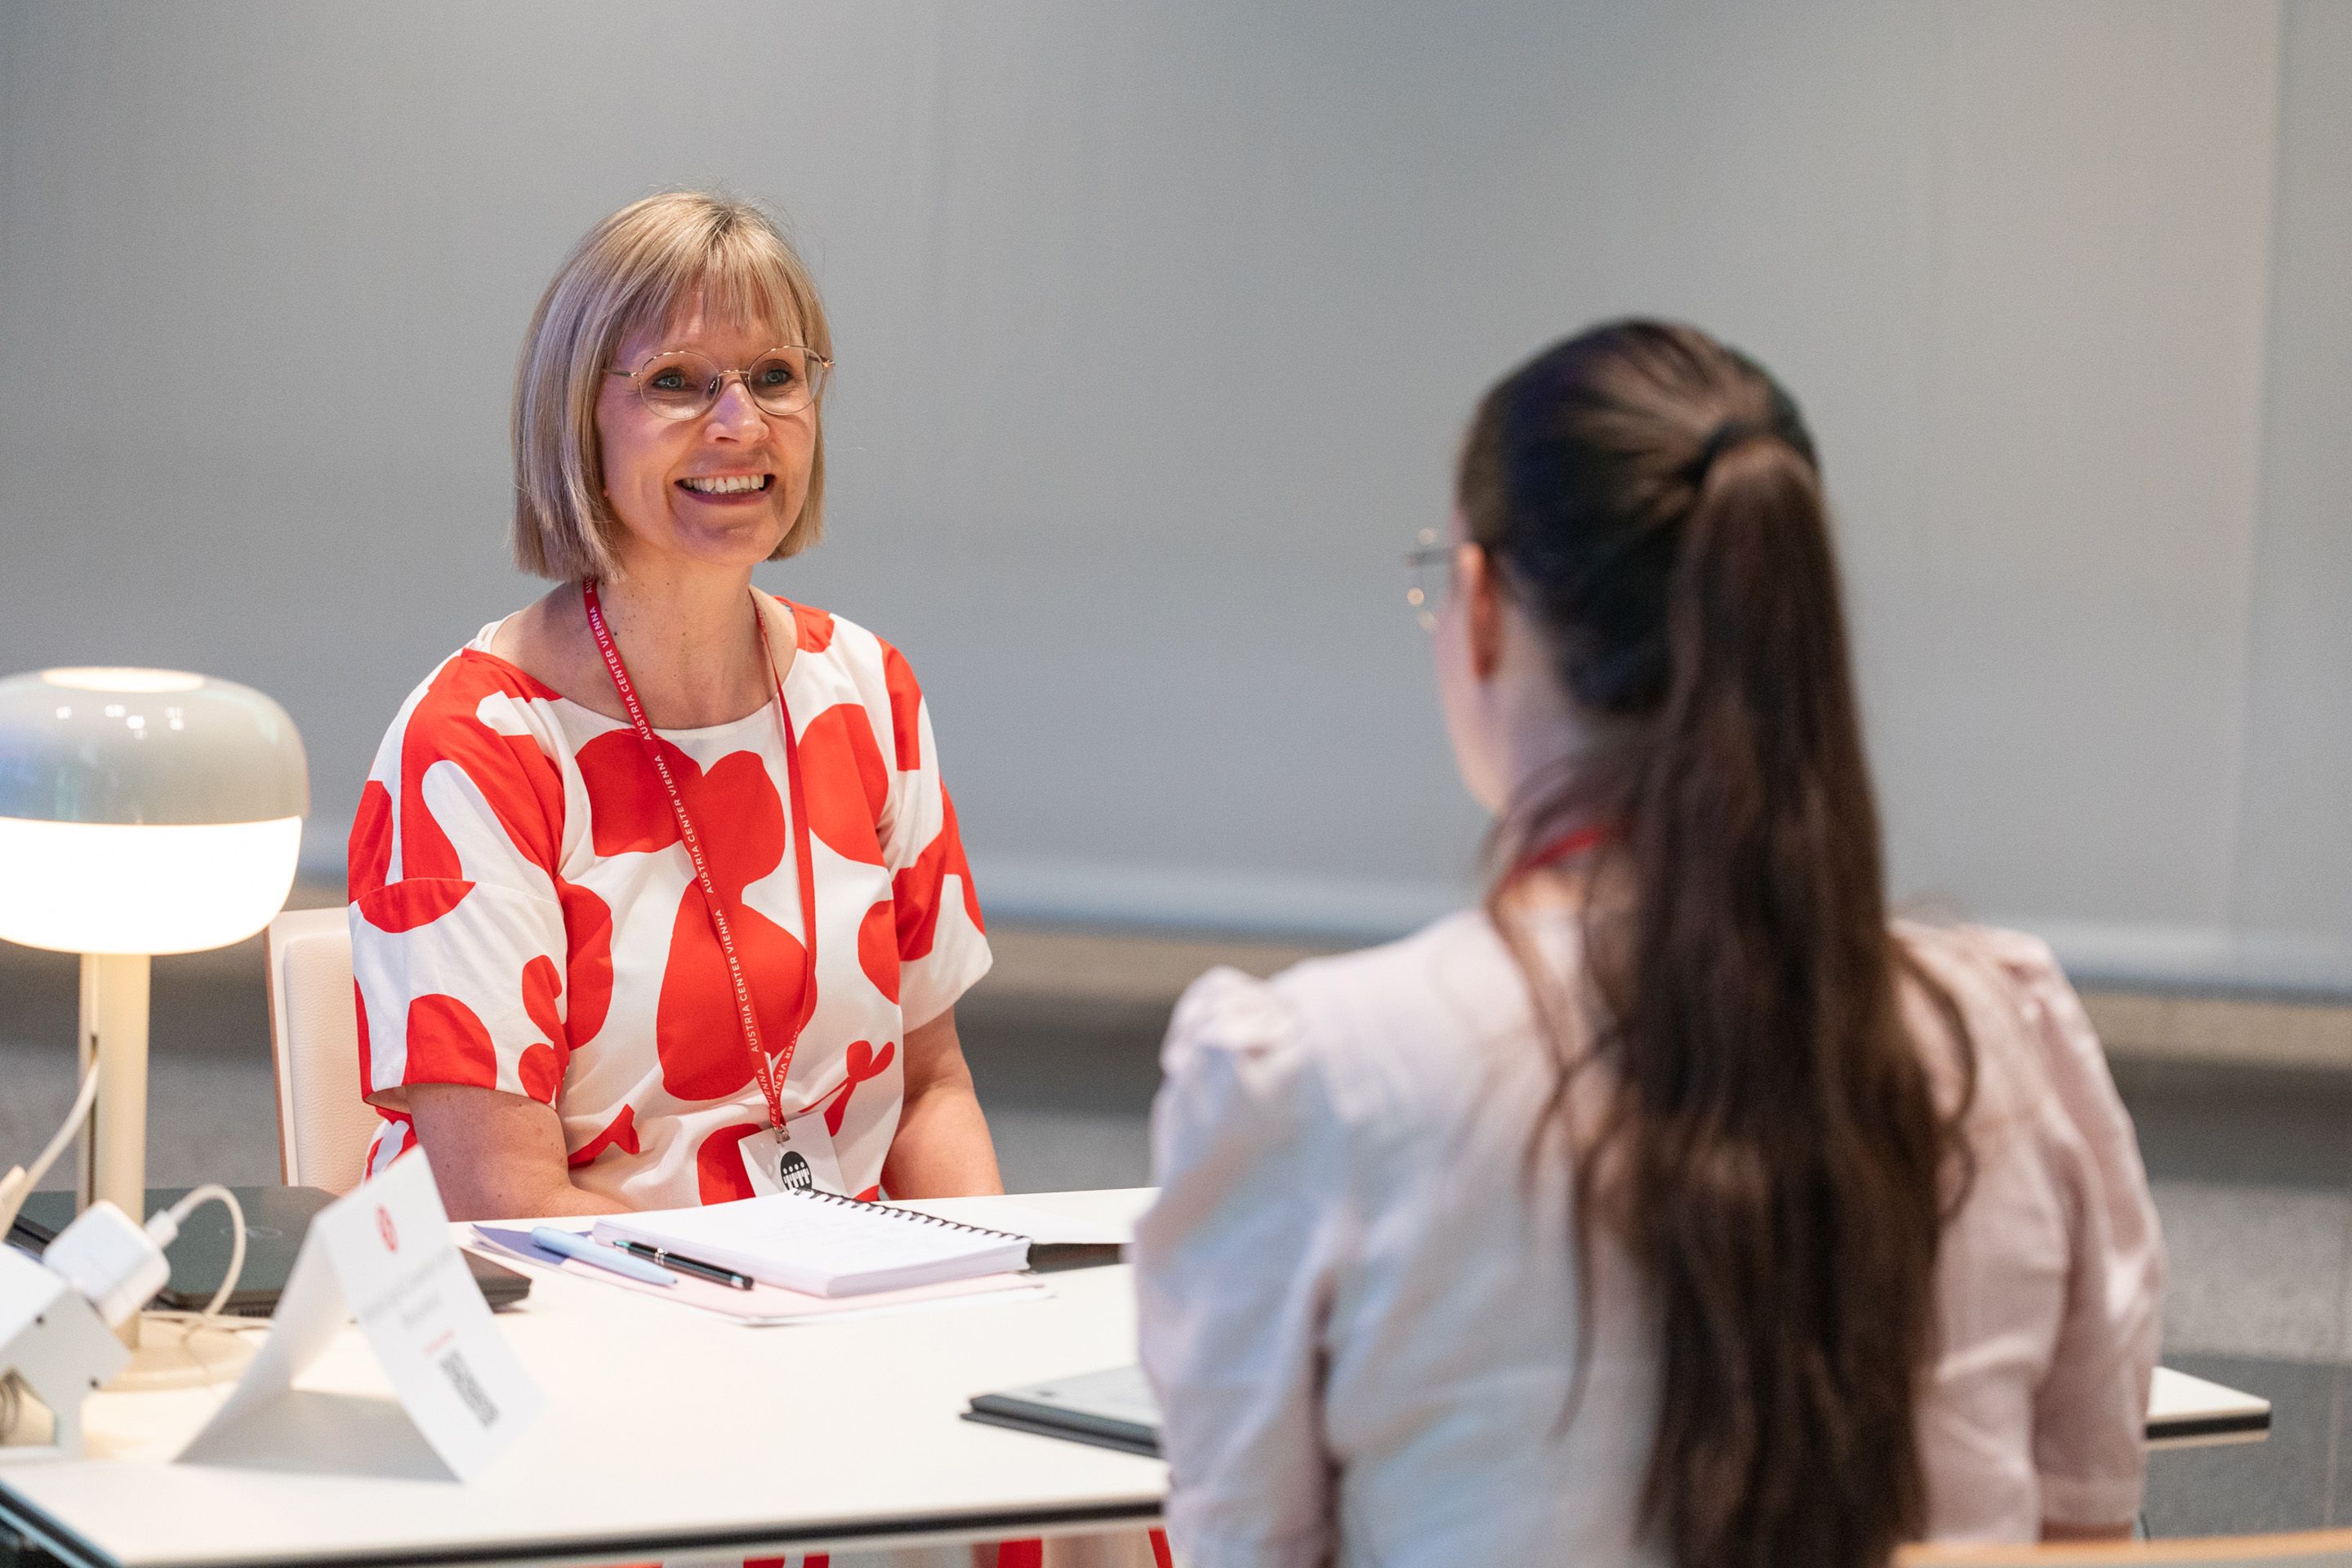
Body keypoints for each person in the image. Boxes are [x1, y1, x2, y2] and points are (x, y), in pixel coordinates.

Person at [1133, 321, 2163, 1568]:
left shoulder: (1321, 1076)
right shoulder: (1998, 1034)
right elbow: (2089, 1531)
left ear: (1482, 610)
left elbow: (1246, 1550)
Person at [349, 192, 1000, 1218]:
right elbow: (506, 1205)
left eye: (776, 378)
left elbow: (931, 1095)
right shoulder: (472, 747)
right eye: (676, 383)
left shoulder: (868, 691)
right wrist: (789, 1306)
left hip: (847, 1307)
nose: (741, 424)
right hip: (579, 1321)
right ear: (579, 423)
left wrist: (980, 1290)